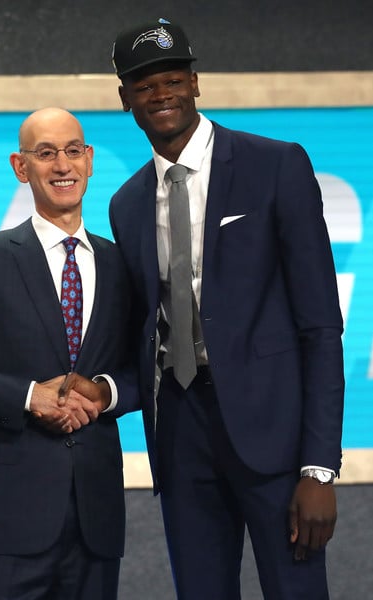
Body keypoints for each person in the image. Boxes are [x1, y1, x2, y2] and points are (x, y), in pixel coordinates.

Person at [109, 18, 344, 600]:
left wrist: (318, 468)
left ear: (196, 83)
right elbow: (146, 330)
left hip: (275, 440)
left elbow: (319, 325)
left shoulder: (276, 166)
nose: (160, 95)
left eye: (172, 80)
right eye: (144, 86)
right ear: (125, 100)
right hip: (180, 436)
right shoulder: (127, 203)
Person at [0, 107, 138, 600]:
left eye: (73, 151)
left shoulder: (123, 263)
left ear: (90, 160)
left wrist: (106, 392)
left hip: (95, 523)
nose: (62, 165)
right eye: (46, 153)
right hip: (6, 524)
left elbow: (147, 368)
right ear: (21, 167)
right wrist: (28, 396)